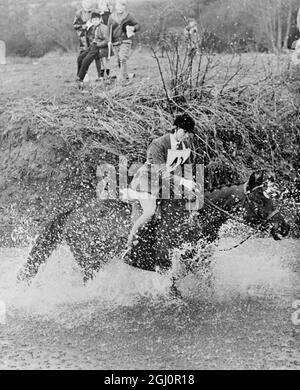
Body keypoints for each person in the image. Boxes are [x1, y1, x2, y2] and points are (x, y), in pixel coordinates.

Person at [121, 113, 197, 251]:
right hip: (147, 181)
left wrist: (190, 189)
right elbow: (161, 172)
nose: (187, 136)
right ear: (176, 128)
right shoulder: (158, 144)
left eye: (189, 133)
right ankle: (129, 243)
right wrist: (183, 182)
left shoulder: (185, 145)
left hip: (164, 184)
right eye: (184, 132)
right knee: (150, 211)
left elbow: (187, 170)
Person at [107, 0, 140, 84]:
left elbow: (138, 25)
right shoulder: (111, 16)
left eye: (123, 6)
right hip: (115, 42)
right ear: (116, 6)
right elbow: (108, 30)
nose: (121, 8)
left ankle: (123, 80)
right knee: (118, 60)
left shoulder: (128, 15)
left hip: (125, 40)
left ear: (124, 7)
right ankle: (125, 76)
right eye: (119, 6)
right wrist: (109, 41)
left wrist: (133, 28)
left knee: (123, 59)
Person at [77, 12, 109, 84]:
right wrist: (93, 43)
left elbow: (107, 41)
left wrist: (98, 45)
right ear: (92, 20)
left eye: (97, 20)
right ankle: (78, 75)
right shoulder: (94, 27)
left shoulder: (104, 28)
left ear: (100, 20)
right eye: (93, 20)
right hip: (94, 45)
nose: (95, 21)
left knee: (86, 59)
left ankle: (80, 78)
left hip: (101, 47)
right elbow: (95, 38)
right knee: (80, 57)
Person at [73, 0, 103, 80]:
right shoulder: (78, 13)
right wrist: (84, 26)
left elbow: (101, 23)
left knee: (98, 57)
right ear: (82, 4)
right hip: (83, 39)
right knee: (82, 57)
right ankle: (82, 76)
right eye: (85, 2)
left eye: (89, 2)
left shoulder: (96, 12)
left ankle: (101, 76)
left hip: (94, 38)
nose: (87, 4)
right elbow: (75, 25)